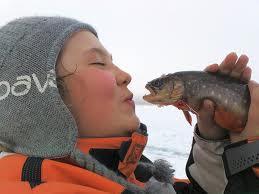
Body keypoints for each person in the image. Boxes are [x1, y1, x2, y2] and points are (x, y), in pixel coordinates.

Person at [0, 16, 258, 194]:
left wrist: (216, 140)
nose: (125, 75)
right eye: (99, 63)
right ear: (40, 97)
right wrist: (251, 157)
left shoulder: (138, 175)